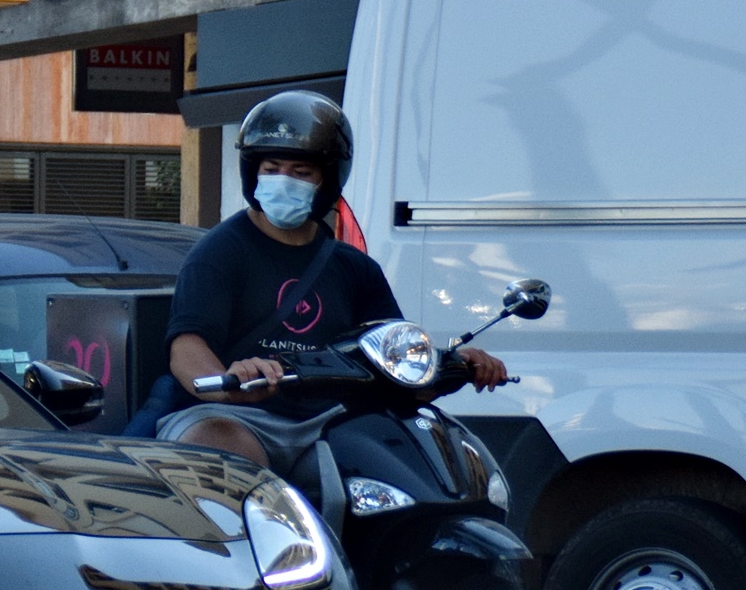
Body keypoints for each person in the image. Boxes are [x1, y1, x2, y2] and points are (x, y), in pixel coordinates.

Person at [124, 91, 506, 464]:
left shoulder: (355, 269)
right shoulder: (219, 252)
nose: (283, 180)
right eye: (271, 169)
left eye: (301, 172)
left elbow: (393, 360)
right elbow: (187, 349)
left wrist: (455, 365)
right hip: (233, 417)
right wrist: (228, 382)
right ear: (252, 172)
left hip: (330, 423)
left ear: (328, 180)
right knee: (225, 458)